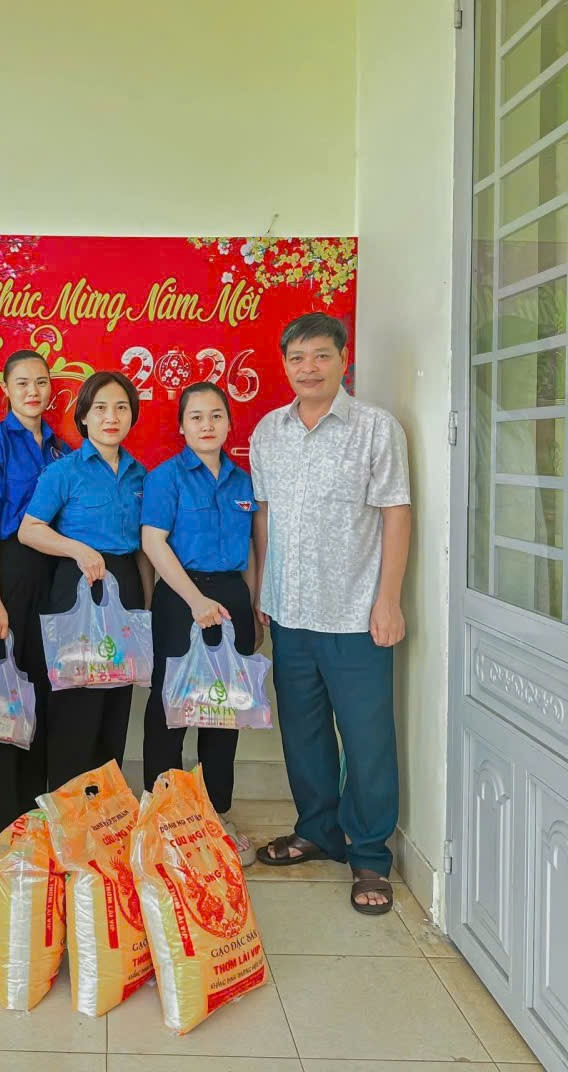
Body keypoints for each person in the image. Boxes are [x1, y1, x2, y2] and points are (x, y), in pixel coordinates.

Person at [251, 312, 411, 915]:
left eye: (321, 355)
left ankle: (369, 854)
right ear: (284, 365)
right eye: (297, 358)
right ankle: (317, 830)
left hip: (355, 614)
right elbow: (264, 515)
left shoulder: (375, 428)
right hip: (290, 612)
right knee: (305, 734)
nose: (309, 368)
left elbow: (396, 512)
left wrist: (388, 599)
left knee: (367, 740)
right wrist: (263, 590)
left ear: (344, 359)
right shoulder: (269, 430)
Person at [140, 380, 261, 865]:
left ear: (229, 423)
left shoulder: (244, 481)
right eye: (196, 417)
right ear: (182, 427)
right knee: (169, 709)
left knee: (224, 710)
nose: (206, 425)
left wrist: (254, 603)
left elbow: (251, 548)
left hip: (232, 598)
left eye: (215, 416)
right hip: (180, 596)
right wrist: (194, 600)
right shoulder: (165, 478)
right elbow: (153, 542)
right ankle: (162, 813)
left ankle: (215, 813)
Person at [19, 370, 152, 789]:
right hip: (77, 589)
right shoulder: (64, 471)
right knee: (75, 706)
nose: (111, 417)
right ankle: (67, 808)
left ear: (132, 416)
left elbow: (144, 548)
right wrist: (78, 550)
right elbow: (29, 530)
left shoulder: (140, 475)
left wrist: (146, 605)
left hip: (125, 588)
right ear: (83, 417)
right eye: (100, 408)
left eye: (121, 408)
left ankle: (104, 810)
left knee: (115, 705)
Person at [0, 350, 71, 849]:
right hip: (5, 571)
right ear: (4, 388)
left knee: (40, 694)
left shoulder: (60, 449)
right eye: (22, 382)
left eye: (41, 382)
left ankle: (29, 819)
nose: (33, 391)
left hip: (52, 576)